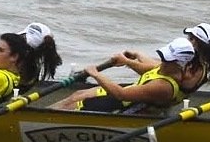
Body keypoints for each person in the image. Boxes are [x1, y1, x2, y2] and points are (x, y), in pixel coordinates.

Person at [52, 36, 201, 114]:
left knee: (71, 106)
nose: (163, 60)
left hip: (126, 105)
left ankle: (38, 119)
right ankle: (37, 113)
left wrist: (95, 74)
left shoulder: (163, 87)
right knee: (78, 94)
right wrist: (133, 57)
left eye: (167, 58)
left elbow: (121, 94)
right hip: (130, 93)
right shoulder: (169, 67)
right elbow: (148, 69)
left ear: (178, 62)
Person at [111, 22, 210, 93]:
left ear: (195, 42)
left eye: (189, 38)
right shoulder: (202, 64)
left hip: (149, 100)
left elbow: (154, 70)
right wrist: (138, 55)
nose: (187, 41)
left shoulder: (190, 71)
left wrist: (127, 62)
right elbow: (159, 65)